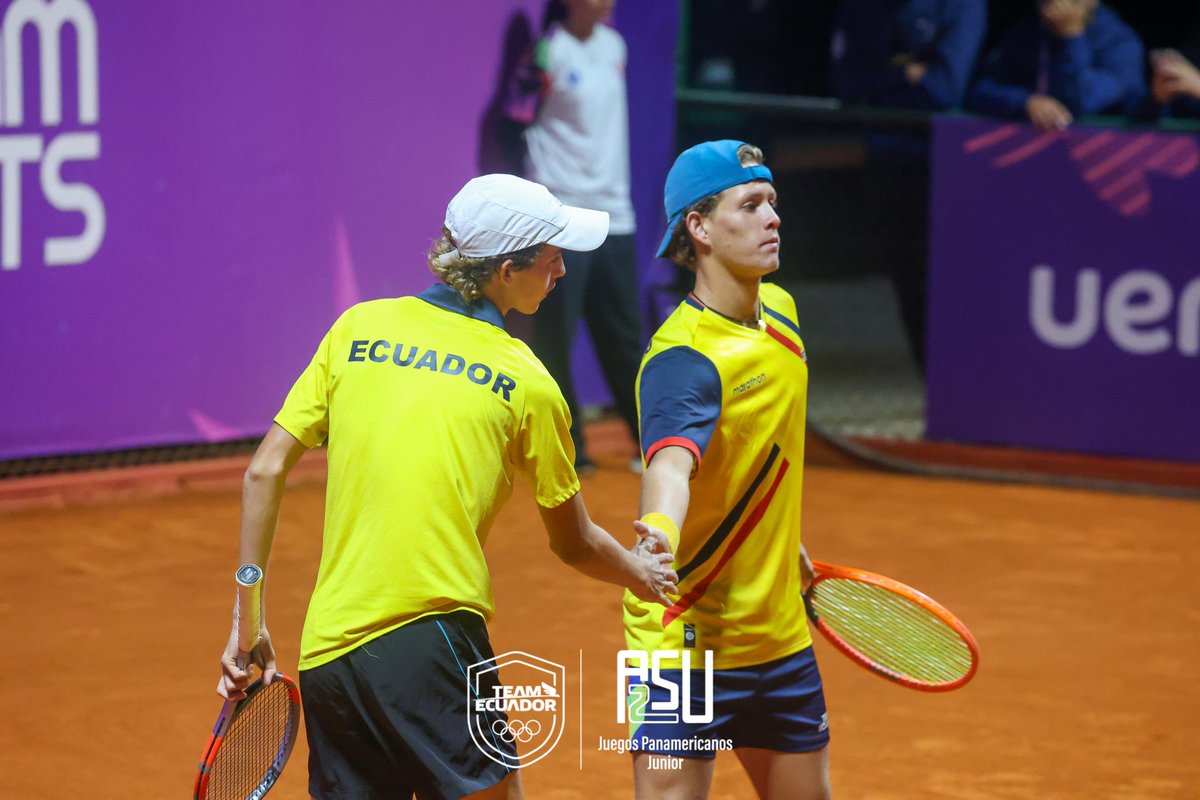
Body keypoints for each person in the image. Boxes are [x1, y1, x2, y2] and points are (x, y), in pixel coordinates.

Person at [215, 174, 679, 800]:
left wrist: (248, 621)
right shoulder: (527, 380)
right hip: (430, 643)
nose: (562, 270)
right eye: (551, 255)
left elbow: (263, 471)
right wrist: (638, 574)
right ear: (507, 268)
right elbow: (573, 544)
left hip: (327, 658)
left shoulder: (358, 328)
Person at [622, 140, 830, 800]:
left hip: (779, 639)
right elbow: (671, 469)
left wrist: (777, 536)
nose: (772, 217)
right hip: (681, 646)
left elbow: (754, 454)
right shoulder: (684, 358)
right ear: (700, 227)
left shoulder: (785, 315)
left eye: (773, 202)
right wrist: (657, 536)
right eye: (750, 204)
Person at [506, 0, 643, 474]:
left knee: (626, 338)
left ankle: (652, 447)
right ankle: (569, 453)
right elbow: (516, 118)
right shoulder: (547, 52)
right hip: (560, 218)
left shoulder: (614, 45)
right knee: (555, 339)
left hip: (615, 216)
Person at [830, 0, 986, 371]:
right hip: (886, 158)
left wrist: (883, 82)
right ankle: (933, 381)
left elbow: (945, 90)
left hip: (947, 165)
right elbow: (846, 86)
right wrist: (904, 76)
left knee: (951, 281)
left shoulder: (962, 6)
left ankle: (965, 379)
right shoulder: (863, 9)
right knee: (907, 275)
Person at [968, 0, 1145, 131]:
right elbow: (981, 91)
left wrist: (1072, 37)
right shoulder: (1026, 33)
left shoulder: (1121, 44)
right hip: (1029, 156)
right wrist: (1025, 102)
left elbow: (1078, 103)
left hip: (1100, 158)